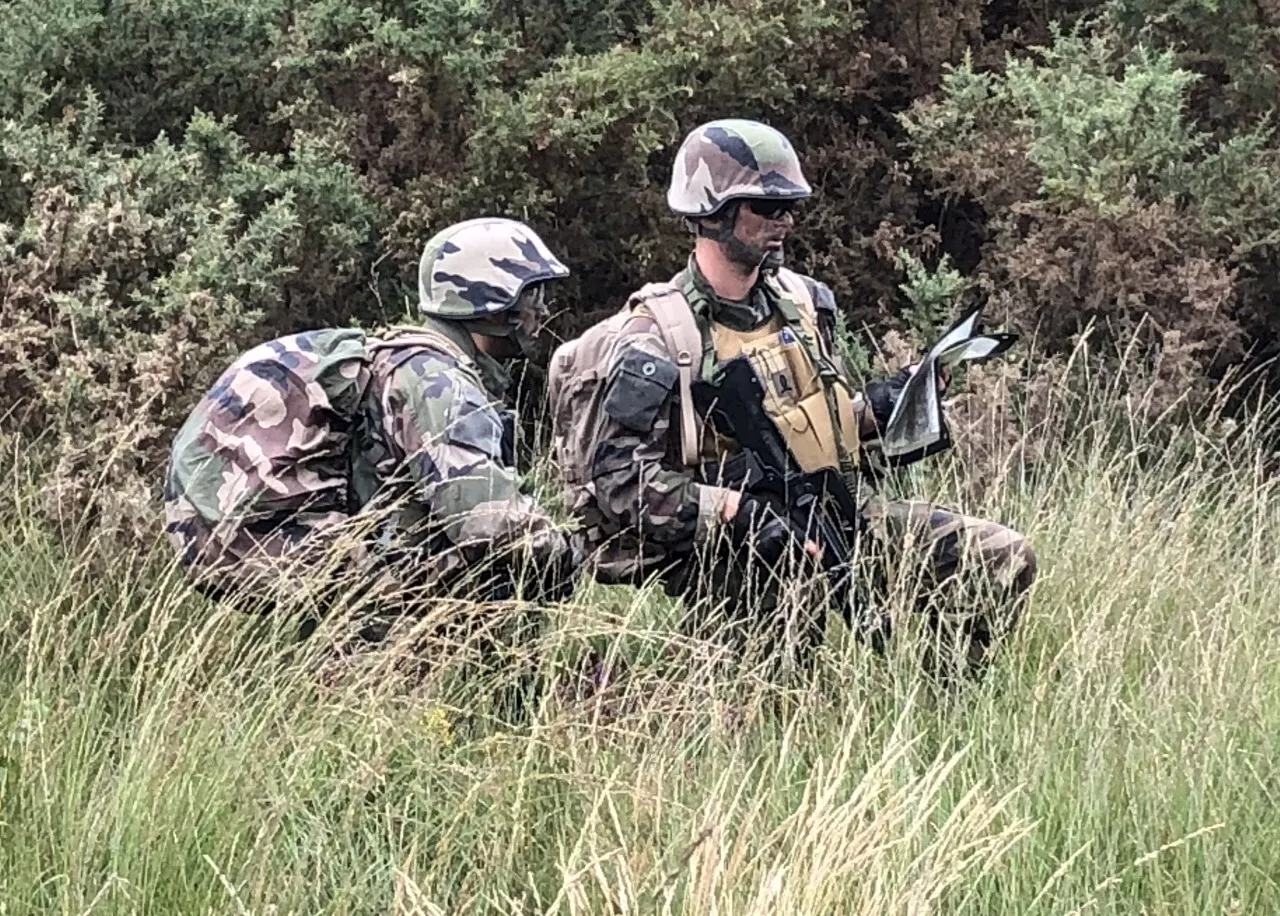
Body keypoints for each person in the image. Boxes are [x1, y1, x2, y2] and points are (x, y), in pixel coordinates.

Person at [558, 119, 1036, 678]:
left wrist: (889, 404)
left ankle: (947, 698)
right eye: (765, 207)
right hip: (720, 542)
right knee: (789, 672)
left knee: (1003, 556)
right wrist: (736, 513)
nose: (784, 221)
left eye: (790, 206)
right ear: (712, 213)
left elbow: (813, 427)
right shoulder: (655, 336)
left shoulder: (804, 303)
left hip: (820, 508)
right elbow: (622, 485)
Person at [164, 216, 580, 636]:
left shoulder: (412, 360)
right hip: (308, 556)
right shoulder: (441, 384)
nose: (542, 310)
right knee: (505, 581)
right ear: (495, 303)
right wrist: (571, 555)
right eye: (532, 295)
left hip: (288, 548)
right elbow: (488, 520)